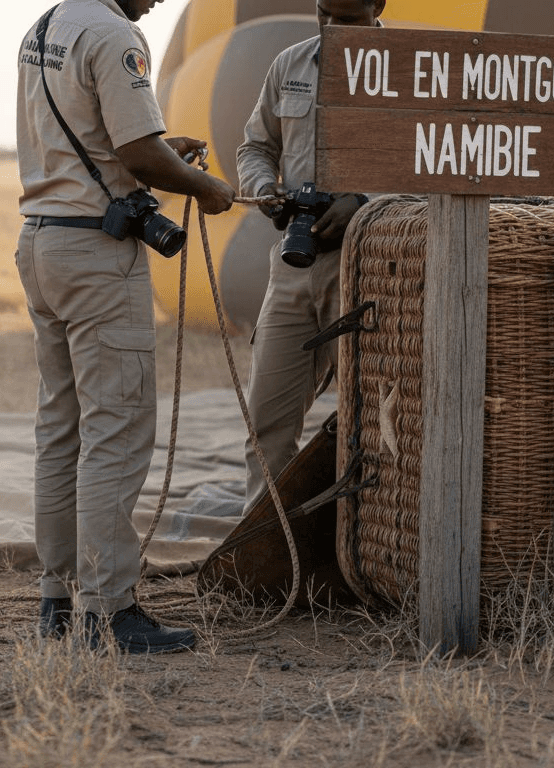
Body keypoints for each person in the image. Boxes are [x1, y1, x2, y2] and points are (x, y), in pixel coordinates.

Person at [15, 0, 235, 653]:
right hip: (96, 255)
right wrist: (201, 185)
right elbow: (137, 154)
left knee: (61, 427)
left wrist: (166, 154)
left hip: (42, 240)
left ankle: (57, 601)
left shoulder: (45, 27)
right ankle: (111, 611)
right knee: (116, 429)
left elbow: (93, 142)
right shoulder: (117, 35)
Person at [236, 0, 384, 508]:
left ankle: (366, 548)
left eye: (346, 18)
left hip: (374, 269)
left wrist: (363, 205)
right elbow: (255, 146)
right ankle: (261, 552)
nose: (333, 28)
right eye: (325, 14)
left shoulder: (413, 69)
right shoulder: (290, 64)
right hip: (295, 262)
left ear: (378, 6)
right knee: (266, 423)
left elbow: (441, 168)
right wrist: (265, 192)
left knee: (375, 421)